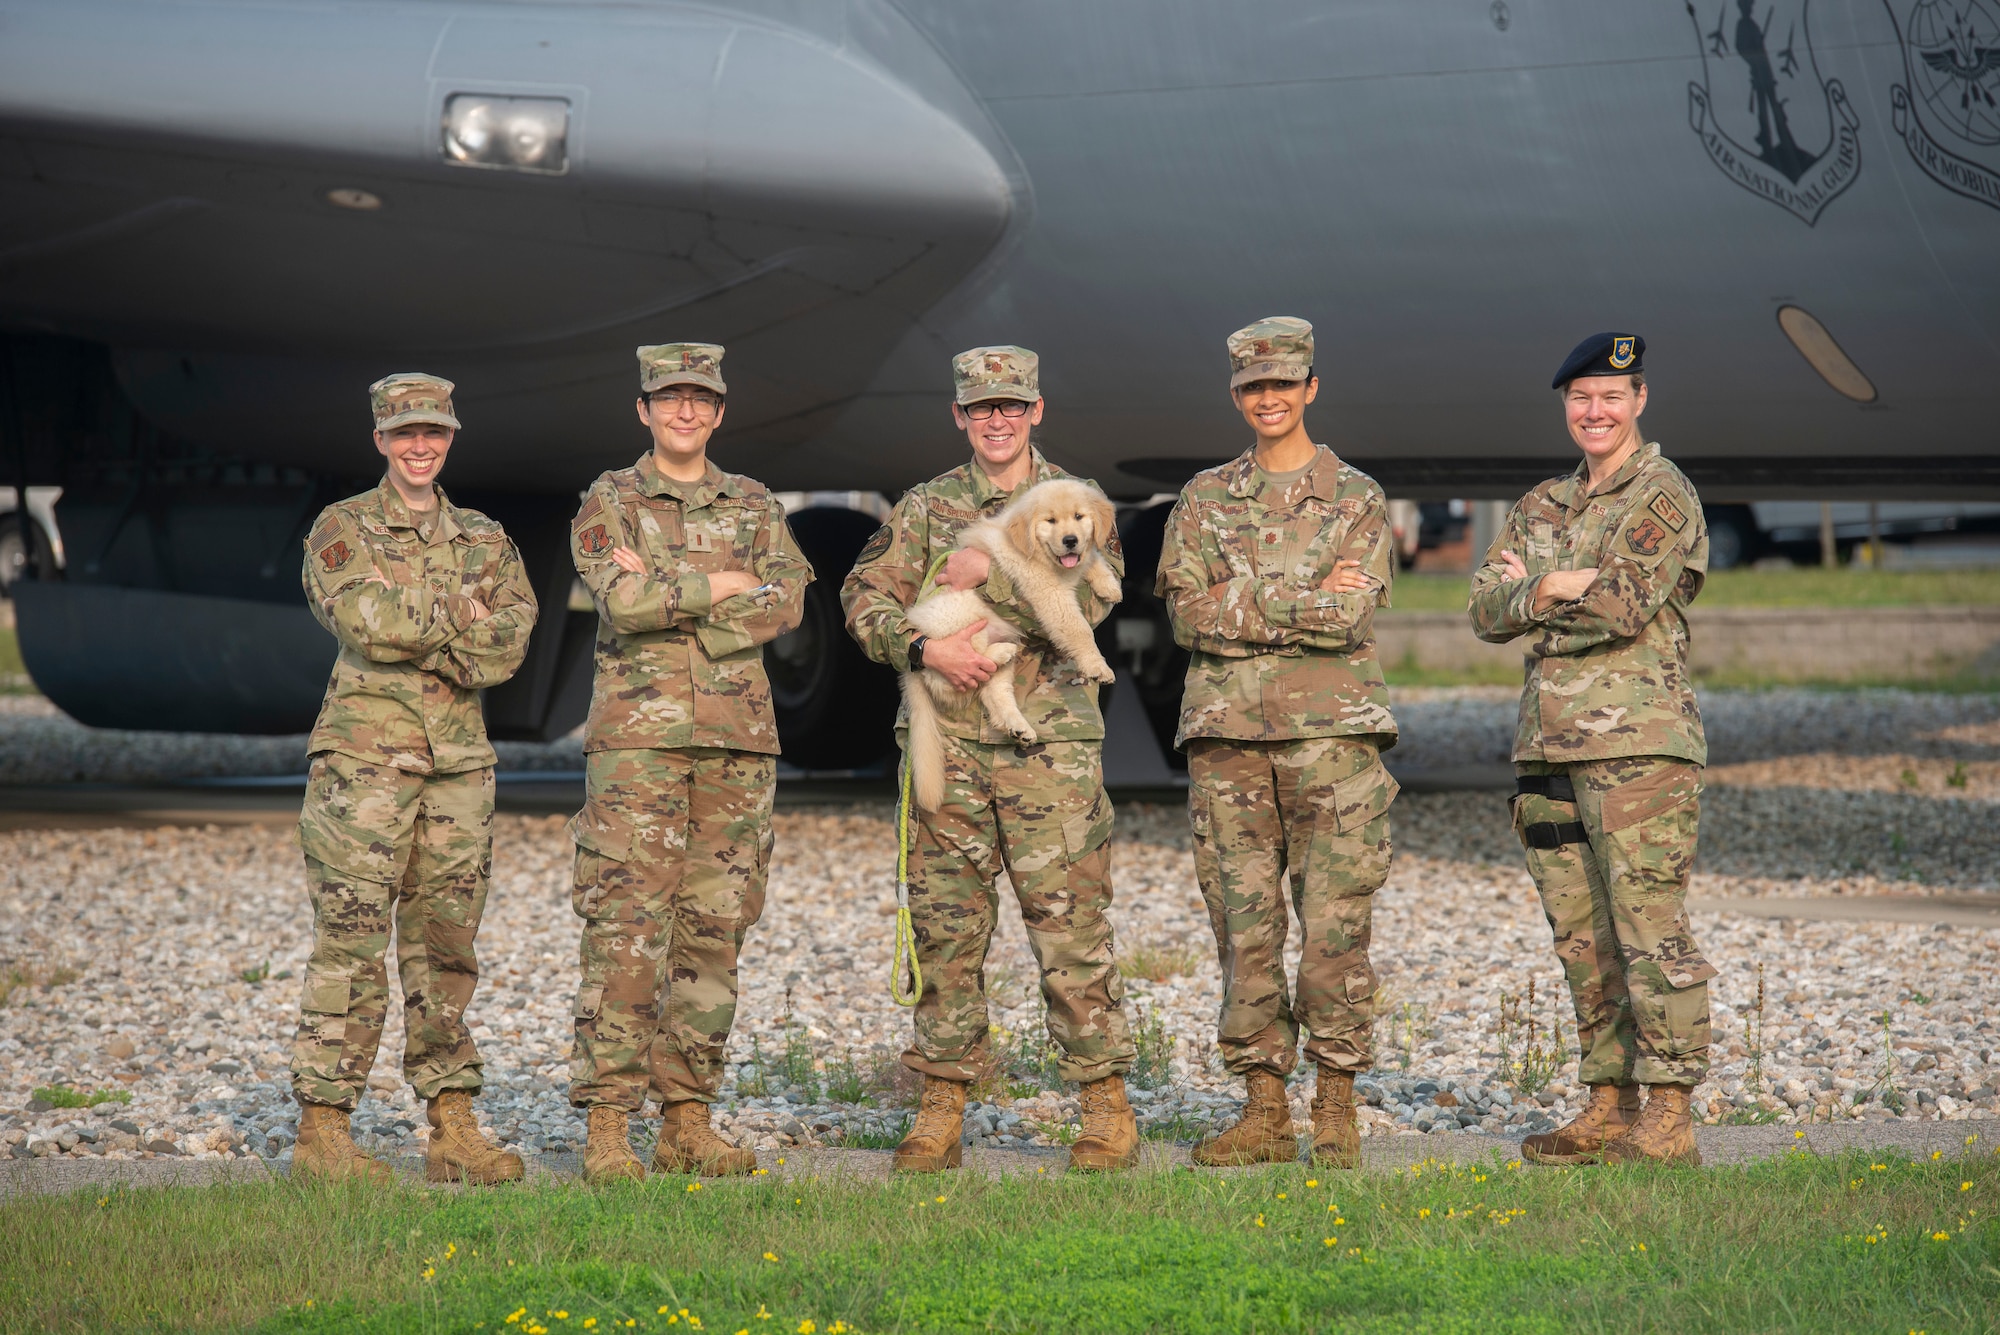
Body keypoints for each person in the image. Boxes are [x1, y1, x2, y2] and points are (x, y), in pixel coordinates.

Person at [841, 345, 1139, 1173]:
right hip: (953, 746)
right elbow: (863, 597)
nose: (997, 420)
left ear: (1036, 410)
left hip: (1050, 752)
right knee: (946, 931)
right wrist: (921, 650)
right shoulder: (928, 505)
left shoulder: (1069, 502)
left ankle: (1104, 1105)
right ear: (959, 416)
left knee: (1072, 926)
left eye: (1011, 405)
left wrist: (990, 580)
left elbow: (1088, 605)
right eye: (980, 408)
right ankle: (940, 1105)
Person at [1155, 317, 1400, 1170]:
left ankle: (1336, 1106)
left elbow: (1353, 613)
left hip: (1334, 744)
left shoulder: (1357, 496)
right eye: (1253, 386)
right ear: (1237, 395)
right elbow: (1187, 611)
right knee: (1243, 927)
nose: (1269, 398)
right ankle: (1264, 1108)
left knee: (1336, 927)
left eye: (1283, 384)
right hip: (1228, 744)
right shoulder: (1203, 497)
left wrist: (1246, 596)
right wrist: (1303, 596)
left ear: (1311, 388)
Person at [567, 343, 813, 1183]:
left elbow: (789, 597)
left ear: (718, 411)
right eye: (667, 397)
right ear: (643, 409)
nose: (683, 411)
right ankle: (608, 1125)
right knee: (627, 929)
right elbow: (620, 598)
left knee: (716, 929)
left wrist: (672, 585)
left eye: (698, 398)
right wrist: (721, 582)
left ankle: (686, 1120)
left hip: (737, 744)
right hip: (638, 744)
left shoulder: (751, 500)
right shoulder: (611, 498)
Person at [1468, 332, 1712, 1167]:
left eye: (1611, 396)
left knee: (1650, 927)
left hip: (1640, 742)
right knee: (1581, 934)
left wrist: (1536, 590)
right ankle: (1608, 1102)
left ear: (1639, 400)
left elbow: (1621, 606)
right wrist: (1551, 586)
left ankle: (1670, 1111)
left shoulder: (1664, 494)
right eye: (1579, 398)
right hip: (1548, 745)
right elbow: (1485, 611)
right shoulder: (1544, 502)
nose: (1594, 411)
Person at [291, 372, 538, 1184]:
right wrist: (459, 616)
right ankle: (324, 1132)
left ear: (451, 436)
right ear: (380, 441)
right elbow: (363, 618)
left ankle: (452, 1127)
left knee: (446, 947)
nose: (419, 445)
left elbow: (511, 640)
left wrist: (427, 623)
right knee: (353, 941)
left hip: (458, 768)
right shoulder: (344, 527)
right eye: (404, 433)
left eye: (432, 431)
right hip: (365, 764)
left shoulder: (484, 538)